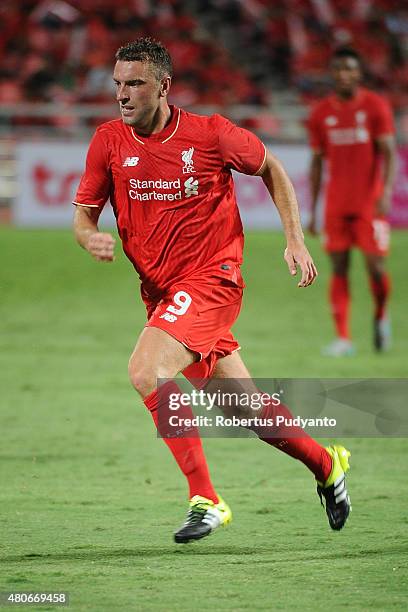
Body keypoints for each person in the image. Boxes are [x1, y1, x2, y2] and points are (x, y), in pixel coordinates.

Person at [73, 37, 351, 543]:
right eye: (118, 84)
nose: (123, 94)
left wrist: (295, 239)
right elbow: (83, 212)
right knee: (242, 405)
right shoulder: (108, 141)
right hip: (160, 292)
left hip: (211, 281)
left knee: (146, 370)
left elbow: (270, 166)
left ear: (164, 86)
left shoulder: (210, 134)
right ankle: (327, 464)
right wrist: (89, 234)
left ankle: (206, 498)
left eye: (135, 83)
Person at [308, 47, 396, 356]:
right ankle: (343, 338)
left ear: (359, 73)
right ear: (332, 74)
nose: (344, 74)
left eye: (349, 69)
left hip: (368, 206)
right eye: (338, 69)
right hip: (336, 206)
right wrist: (314, 210)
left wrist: (385, 193)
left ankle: (381, 316)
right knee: (339, 268)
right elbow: (317, 164)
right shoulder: (321, 113)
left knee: (375, 267)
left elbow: (389, 153)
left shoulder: (375, 107)